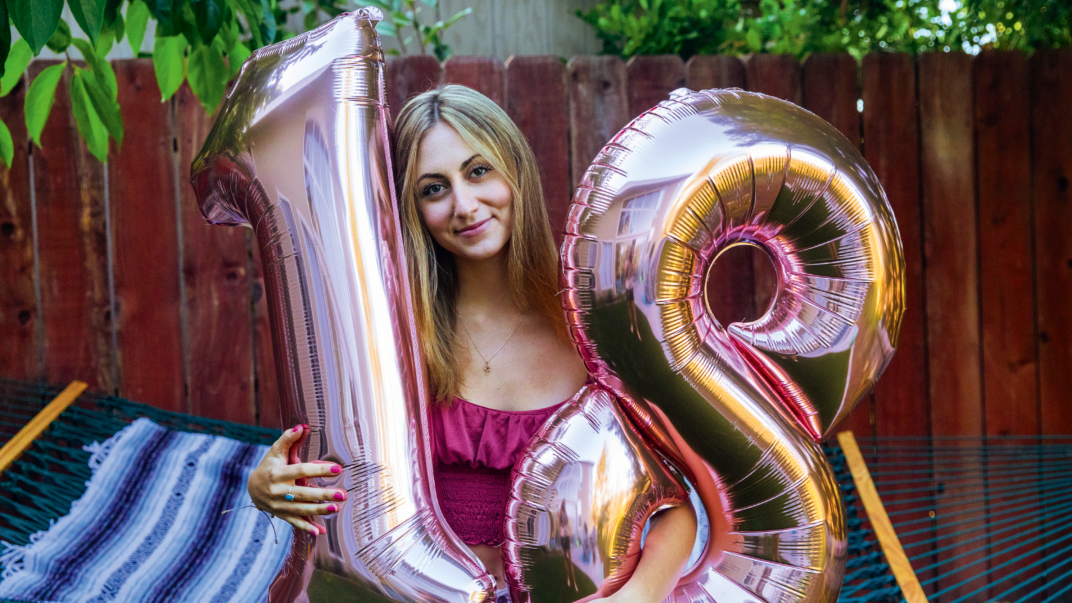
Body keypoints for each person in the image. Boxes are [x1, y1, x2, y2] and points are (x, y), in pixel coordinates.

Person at [246, 85, 696, 603]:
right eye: (433, 189)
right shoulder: (391, 333)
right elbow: (330, 475)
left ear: (515, 171)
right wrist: (269, 484)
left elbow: (673, 506)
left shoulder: (593, 321)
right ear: (409, 210)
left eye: (478, 171)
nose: (464, 205)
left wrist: (638, 596)